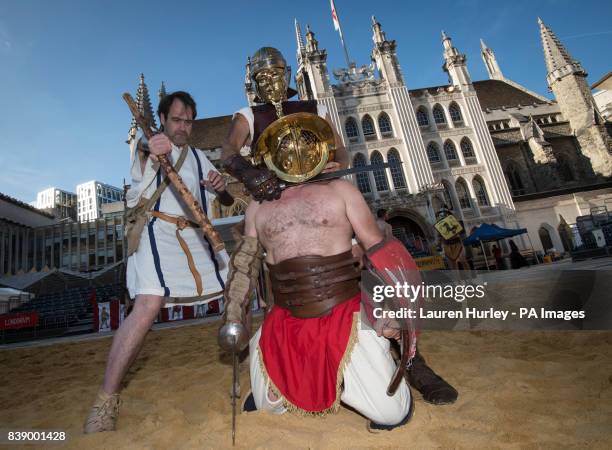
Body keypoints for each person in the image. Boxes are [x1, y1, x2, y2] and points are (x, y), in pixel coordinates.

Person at [83, 91, 233, 433]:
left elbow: (223, 196)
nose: (183, 127)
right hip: (156, 230)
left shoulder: (196, 156)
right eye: (177, 120)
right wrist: (152, 148)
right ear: (163, 119)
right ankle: (106, 399)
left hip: (194, 235)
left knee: (237, 284)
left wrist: (220, 185)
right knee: (149, 305)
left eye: (188, 121)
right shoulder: (148, 142)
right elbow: (141, 154)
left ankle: (253, 365)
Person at [220, 47, 349, 202]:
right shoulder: (248, 116)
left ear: (286, 74)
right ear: (255, 84)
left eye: (275, 74)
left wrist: (339, 165)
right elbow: (228, 151)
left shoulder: (315, 109)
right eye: (262, 78)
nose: (269, 83)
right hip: (274, 195)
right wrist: (249, 173)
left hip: (319, 187)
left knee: (350, 198)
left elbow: (340, 149)